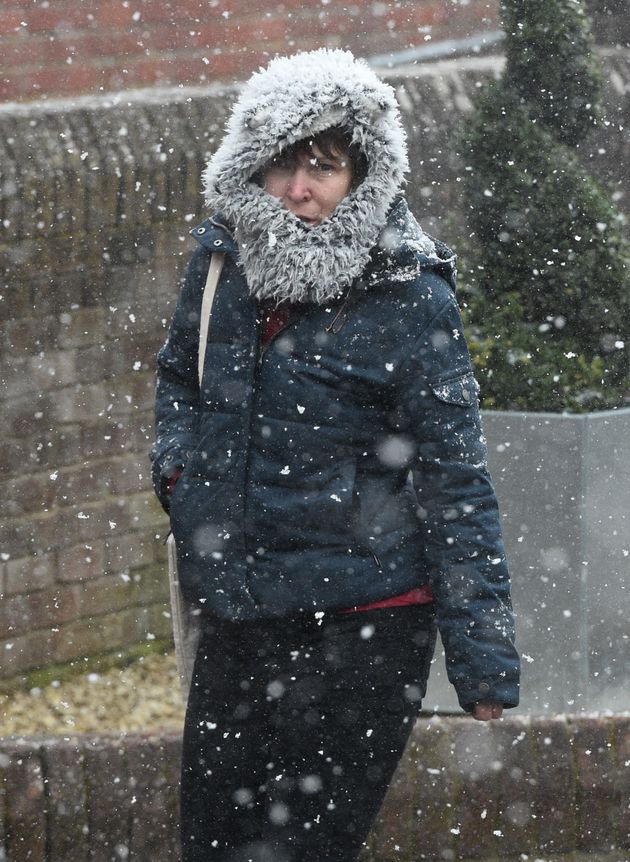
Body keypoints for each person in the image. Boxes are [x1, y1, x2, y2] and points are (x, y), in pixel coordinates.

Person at [151, 48, 520, 862]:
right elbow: (181, 375)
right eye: (282, 164)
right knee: (213, 844)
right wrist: (180, 477)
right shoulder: (222, 263)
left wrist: (483, 659)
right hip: (243, 612)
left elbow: (455, 477)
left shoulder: (409, 292)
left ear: (365, 173)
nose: (299, 188)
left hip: (364, 630)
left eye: (323, 165)